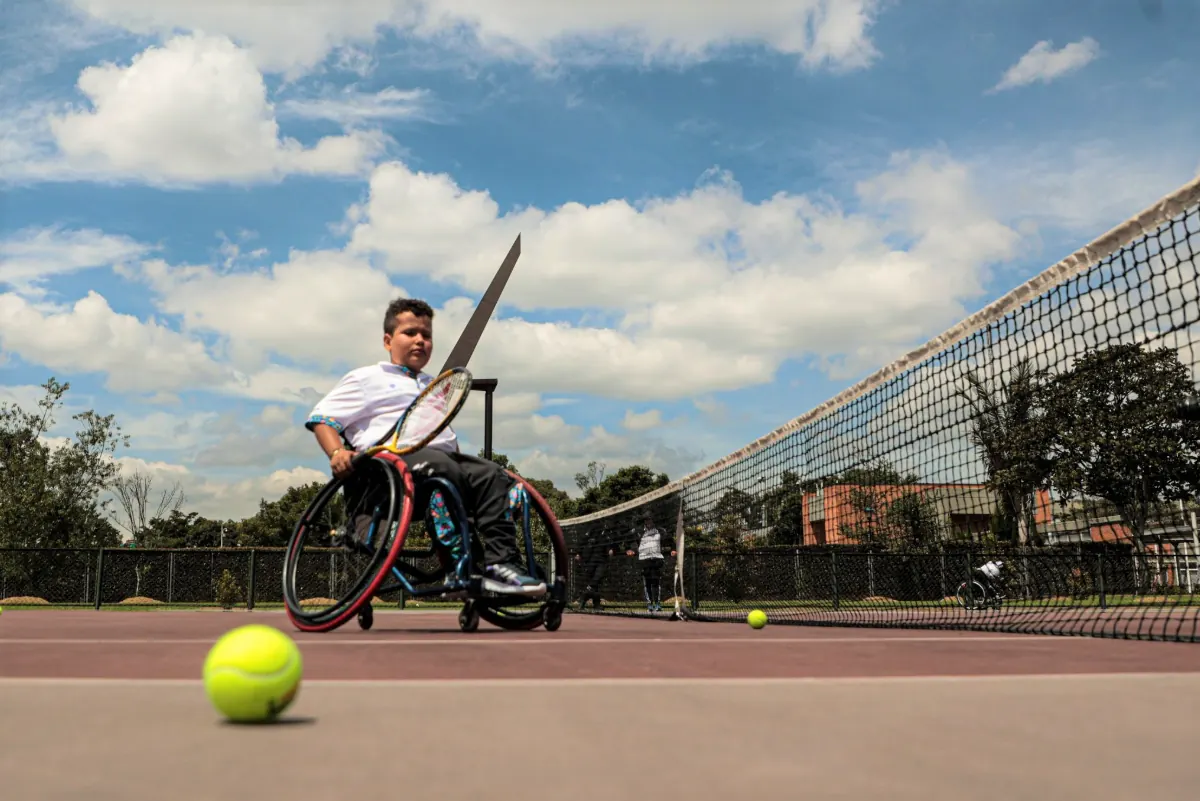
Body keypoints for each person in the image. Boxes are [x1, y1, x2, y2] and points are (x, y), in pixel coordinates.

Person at [304, 297, 546, 597]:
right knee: (443, 468)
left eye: (427, 335)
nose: (420, 340)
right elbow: (322, 419)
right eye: (410, 333)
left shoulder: (436, 387)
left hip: (437, 464)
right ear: (387, 340)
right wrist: (337, 453)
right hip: (386, 471)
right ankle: (460, 564)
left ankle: (502, 565)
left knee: (491, 473)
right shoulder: (366, 378)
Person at [626, 512, 675, 613]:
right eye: (646, 520)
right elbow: (628, 541)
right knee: (647, 582)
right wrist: (629, 550)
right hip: (644, 559)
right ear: (644, 522)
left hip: (656, 559)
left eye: (650, 520)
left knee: (656, 582)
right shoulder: (638, 532)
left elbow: (670, 541)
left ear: (653, 521)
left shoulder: (660, 531)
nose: (648, 522)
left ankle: (657, 603)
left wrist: (673, 549)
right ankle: (649, 604)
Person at [574, 526, 613, 611]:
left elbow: (609, 546)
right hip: (590, 561)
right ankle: (596, 604)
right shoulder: (589, 531)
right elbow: (581, 543)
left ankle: (584, 597)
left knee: (597, 579)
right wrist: (578, 553)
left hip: (601, 561)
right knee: (595, 585)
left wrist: (610, 550)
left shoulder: (605, 533)